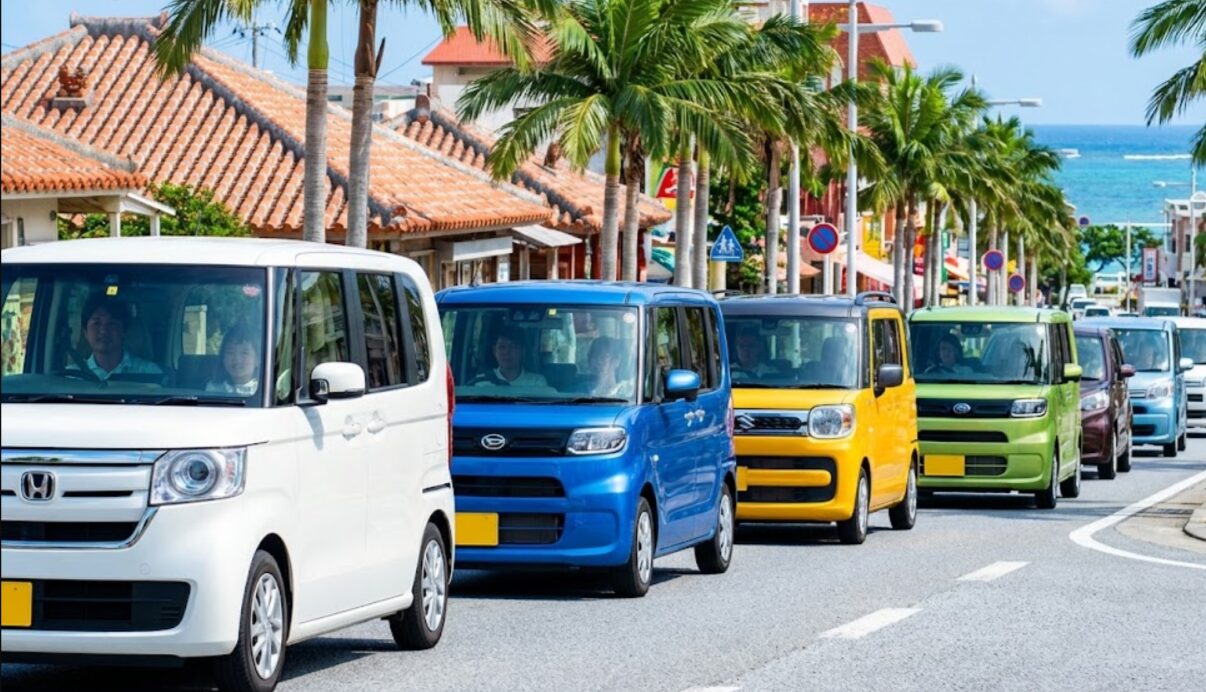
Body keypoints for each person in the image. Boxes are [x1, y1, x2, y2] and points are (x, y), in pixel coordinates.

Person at [71, 296, 163, 382]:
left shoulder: (150, 373)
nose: (104, 331)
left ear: (124, 331)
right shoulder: (71, 377)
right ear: (85, 333)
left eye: (111, 324)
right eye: (96, 323)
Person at [470, 327, 549, 387]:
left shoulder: (537, 382)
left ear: (522, 351)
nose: (506, 352)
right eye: (502, 347)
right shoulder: (482, 381)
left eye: (513, 347)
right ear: (494, 351)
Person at [206, 325, 260, 395]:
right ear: (223, 358)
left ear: (257, 359)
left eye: (244, 353)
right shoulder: (213, 388)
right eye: (230, 352)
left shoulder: (262, 390)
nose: (237, 359)